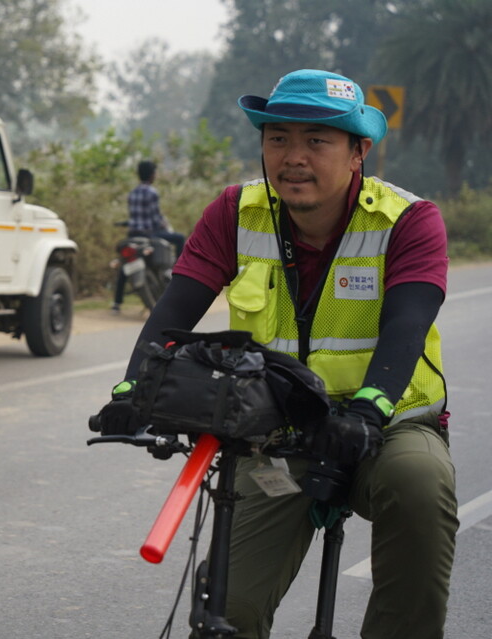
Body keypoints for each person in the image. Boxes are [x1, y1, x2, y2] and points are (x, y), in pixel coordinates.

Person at [94, 69, 457, 638]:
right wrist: (130, 391)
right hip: (276, 433)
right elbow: (169, 319)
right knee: (227, 612)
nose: (294, 157)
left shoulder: (408, 220)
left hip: (385, 426)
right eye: (278, 138)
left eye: (317, 140)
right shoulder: (235, 212)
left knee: (419, 487)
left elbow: (407, 326)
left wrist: (367, 410)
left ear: (358, 151)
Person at [112, 160, 186, 311]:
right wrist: (165, 226)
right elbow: (155, 218)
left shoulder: (132, 193)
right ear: (152, 175)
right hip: (150, 234)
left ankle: (117, 302)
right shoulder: (152, 192)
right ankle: (179, 272)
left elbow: (136, 216)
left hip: (133, 234)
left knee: (125, 265)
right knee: (179, 239)